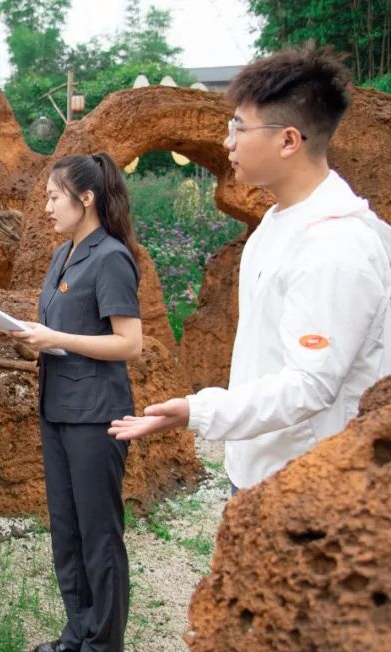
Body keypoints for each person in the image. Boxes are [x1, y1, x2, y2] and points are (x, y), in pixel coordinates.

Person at [109, 48, 391, 496]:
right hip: (260, 470)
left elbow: (309, 385)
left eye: (239, 127)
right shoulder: (276, 225)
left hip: (309, 483)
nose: (228, 143)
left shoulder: (336, 246)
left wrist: (199, 411)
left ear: (289, 141)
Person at [10, 153, 142, 652]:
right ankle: (80, 629)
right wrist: (31, 336)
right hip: (58, 409)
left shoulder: (110, 257)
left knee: (98, 534)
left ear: (85, 198)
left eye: (53, 196)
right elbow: (62, 330)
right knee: (66, 530)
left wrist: (57, 338)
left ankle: (105, 649)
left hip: (96, 414)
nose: (46, 207)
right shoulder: (62, 255)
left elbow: (129, 343)